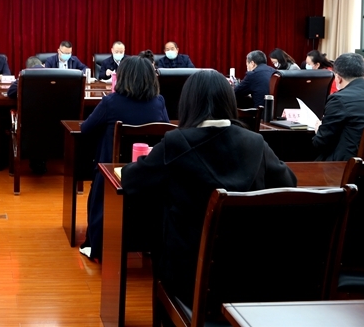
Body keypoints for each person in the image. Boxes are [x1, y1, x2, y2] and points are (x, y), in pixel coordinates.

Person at [121, 70, 297, 306]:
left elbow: (132, 180)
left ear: (188, 103)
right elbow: (289, 183)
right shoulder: (255, 142)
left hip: (187, 275)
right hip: (247, 273)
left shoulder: (176, 142)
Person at [79, 56, 169, 261]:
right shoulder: (159, 102)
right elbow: (164, 130)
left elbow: (85, 129)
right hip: (148, 171)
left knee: (98, 180)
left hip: (113, 172)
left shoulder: (110, 102)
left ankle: (97, 246)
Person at [312, 53, 364, 161]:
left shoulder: (338, 100)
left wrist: (319, 130)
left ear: (338, 78)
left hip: (347, 167)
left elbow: (320, 143)